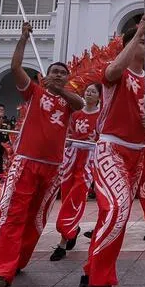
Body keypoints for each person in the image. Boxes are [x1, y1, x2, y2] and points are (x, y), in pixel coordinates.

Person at [78, 17, 145, 287]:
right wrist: (136, 34)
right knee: (118, 210)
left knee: (113, 214)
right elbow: (112, 71)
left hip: (136, 156)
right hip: (110, 149)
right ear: (129, 44)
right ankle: (101, 286)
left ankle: (89, 274)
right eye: (142, 41)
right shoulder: (115, 73)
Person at [0, 23, 84, 287]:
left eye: (63, 73)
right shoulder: (34, 93)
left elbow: (81, 104)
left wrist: (60, 89)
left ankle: (17, 261)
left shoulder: (68, 100)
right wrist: (23, 39)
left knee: (36, 219)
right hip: (25, 163)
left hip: (52, 169)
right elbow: (16, 68)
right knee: (13, 215)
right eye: (54, 72)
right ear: (45, 76)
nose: (59, 75)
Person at [50, 83, 101, 261]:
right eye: (87, 91)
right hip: (71, 157)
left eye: (93, 92)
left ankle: (62, 242)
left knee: (76, 197)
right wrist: (68, 141)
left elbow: (103, 137)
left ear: (99, 97)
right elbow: (69, 134)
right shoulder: (76, 114)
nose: (89, 93)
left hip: (88, 159)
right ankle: (72, 228)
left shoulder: (101, 116)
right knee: (66, 196)